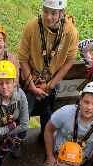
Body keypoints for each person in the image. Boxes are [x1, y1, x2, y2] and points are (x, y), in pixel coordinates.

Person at [18, 0, 78, 139]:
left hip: (51, 81)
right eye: (46, 12)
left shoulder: (70, 32)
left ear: (62, 13)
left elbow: (69, 61)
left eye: (53, 13)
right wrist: (32, 86)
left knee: (48, 112)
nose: (48, 17)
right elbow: (23, 58)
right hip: (31, 78)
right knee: (24, 111)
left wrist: (50, 85)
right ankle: (18, 139)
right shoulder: (32, 26)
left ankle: (45, 138)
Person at [44, 82, 93, 166]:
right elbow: (48, 130)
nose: (89, 107)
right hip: (58, 157)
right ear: (80, 100)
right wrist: (50, 156)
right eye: (86, 102)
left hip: (81, 162)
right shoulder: (65, 112)